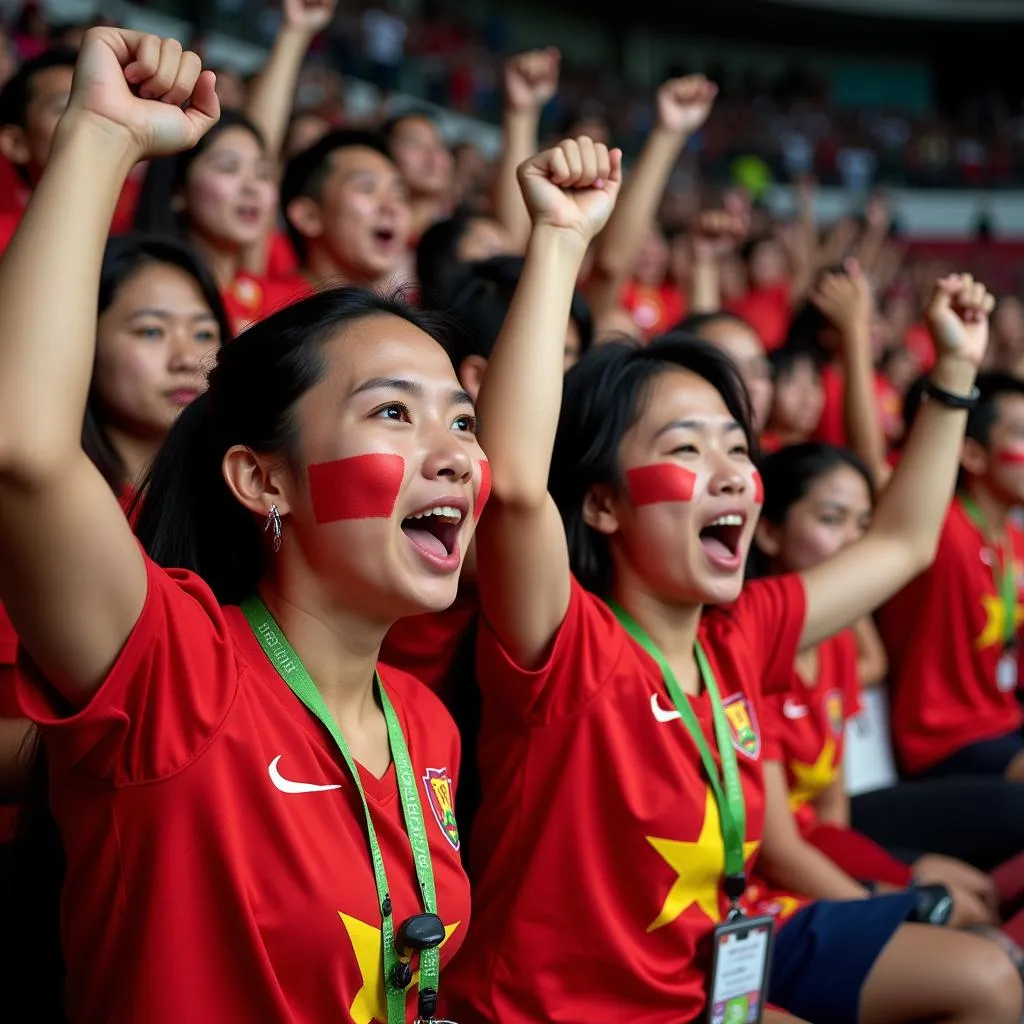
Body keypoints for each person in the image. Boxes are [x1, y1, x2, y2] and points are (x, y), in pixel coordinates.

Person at [444, 134, 1020, 1024]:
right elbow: (516, 481)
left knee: (988, 980)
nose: (729, 475)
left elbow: (902, 544)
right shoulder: (563, 641)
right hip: (572, 1009)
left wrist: (952, 373)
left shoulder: (740, 630)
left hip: (716, 961)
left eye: (737, 449)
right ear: (601, 506)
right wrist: (559, 239)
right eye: (684, 449)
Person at [0, 28, 482, 1022]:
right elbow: (22, 446)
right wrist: (99, 134)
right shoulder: (179, 673)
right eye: (394, 411)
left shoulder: (425, 724)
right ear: (262, 481)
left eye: (460, 419)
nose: (456, 454)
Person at [750, 442, 1003, 930]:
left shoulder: (838, 643)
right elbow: (778, 850)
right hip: (769, 870)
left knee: (979, 892)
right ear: (769, 531)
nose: (855, 543)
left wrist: (878, 877)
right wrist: (883, 906)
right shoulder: (749, 651)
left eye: (864, 525)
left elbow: (832, 813)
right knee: (970, 926)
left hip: (819, 841)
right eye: (831, 519)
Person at [878, 372, 1024, 781]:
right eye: (1020, 433)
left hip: (1005, 724)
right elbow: (875, 468)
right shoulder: (941, 528)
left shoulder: (1014, 539)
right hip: (945, 744)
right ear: (973, 456)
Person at [278, 129, 413, 299]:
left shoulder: (404, 321)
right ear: (309, 216)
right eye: (367, 188)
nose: (392, 206)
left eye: (399, 195)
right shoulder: (258, 313)